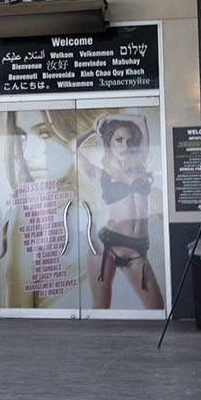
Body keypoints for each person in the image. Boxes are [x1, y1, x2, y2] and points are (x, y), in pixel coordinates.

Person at [75, 113, 164, 309]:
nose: (125, 145)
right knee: (100, 307)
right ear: (109, 143)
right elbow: (72, 147)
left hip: (139, 248)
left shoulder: (138, 164)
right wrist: (95, 128)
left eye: (129, 140)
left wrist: (111, 117)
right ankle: (99, 340)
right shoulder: (102, 174)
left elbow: (141, 120)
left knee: (156, 308)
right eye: (119, 140)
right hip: (107, 245)